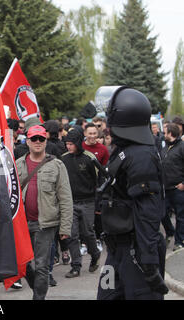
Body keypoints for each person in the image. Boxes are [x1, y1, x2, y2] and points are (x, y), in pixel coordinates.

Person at [96, 87, 168, 300]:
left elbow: (148, 211)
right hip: (117, 248)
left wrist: (149, 260)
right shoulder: (124, 150)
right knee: (106, 296)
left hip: (136, 251)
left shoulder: (142, 156)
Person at [16, 125, 72, 300]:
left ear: (46, 141)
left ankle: (38, 297)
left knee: (41, 266)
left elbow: (65, 197)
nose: (38, 142)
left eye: (41, 138)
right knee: (21, 264)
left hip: (45, 224)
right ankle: (37, 288)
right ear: (28, 141)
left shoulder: (57, 165)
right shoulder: (18, 164)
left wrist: (65, 228)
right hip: (22, 224)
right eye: (34, 139)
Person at [61, 129, 101, 278]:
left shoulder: (89, 158)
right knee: (72, 234)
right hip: (70, 202)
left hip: (88, 201)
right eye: (67, 144)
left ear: (78, 143)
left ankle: (95, 254)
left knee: (88, 232)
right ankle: (76, 265)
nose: (68, 147)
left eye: (71, 144)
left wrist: (97, 199)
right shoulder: (63, 159)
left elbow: (99, 179)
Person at [162, 123, 184, 251]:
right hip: (165, 189)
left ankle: (179, 241)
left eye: (165, 132)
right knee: (162, 213)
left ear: (171, 133)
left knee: (181, 216)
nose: (163, 135)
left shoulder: (182, 147)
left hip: (178, 189)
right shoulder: (165, 148)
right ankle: (170, 231)